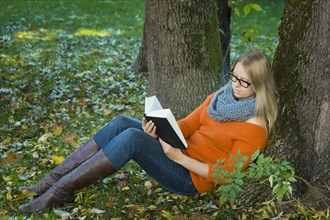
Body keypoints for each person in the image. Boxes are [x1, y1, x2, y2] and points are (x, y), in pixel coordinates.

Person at [18, 51, 278, 213]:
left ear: (260, 85)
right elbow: (186, 126)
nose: (235, 85)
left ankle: (60, 191)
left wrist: (179, 158)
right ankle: (50, 182)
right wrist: (159, 129)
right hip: (177, 150)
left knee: (132, 139)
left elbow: (225, 174)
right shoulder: (221, 97)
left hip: (191, 177)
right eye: (234, 76)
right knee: (122, 123)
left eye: (244, 82)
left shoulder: (255, 127)